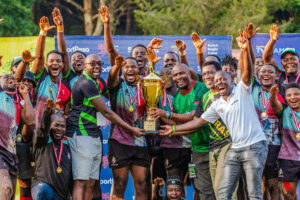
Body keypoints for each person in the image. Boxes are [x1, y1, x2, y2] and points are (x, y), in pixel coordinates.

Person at [160, 36, 268, 200]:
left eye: (222, 79)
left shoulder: (241, 90)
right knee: (222, 192)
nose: (219, 82)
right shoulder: (217, 104)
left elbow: (247, 71)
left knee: (253, 192)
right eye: (216, 81)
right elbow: (198, 121)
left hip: (253, 146)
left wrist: (245, 49)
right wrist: (173, 129)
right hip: (233, 148)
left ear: (232, 80)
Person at [67, 54, 144, 200]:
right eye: (92, 63)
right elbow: (107, 111)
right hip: (81, 134)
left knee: (91, 182)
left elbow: (115, 97)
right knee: (81, 181)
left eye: (99, 63)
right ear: (84, 66)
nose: (96, 66)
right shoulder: (85, 83)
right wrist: (131, 128)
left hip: (94, 135)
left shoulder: (99, 82)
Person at [151, 63, 209, 199]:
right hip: (189, 148)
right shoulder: (176, 97)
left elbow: (193, 118)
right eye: (175, 75)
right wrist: (163, 119)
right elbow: (178, 123)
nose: (178, 77)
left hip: (204, 148)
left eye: (182, 73)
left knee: (199, 185)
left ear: (190, 73)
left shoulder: (200, 87)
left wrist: (166, 114)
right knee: (178, 184)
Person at [106, 54, 151, 200]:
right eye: (127, 67)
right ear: (122, 70)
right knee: (119, 185)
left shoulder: (145, 86)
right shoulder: (117, 84)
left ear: (139, 69)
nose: (130, 69)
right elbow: (110, 80)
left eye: (133, 66)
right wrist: (116, 66)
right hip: (119, 141)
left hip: (141, 141)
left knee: (143, 185)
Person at [251, 63, 285, 199]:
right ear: (258, 76)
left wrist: (272, 96)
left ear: (276, 77)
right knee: (257, 185)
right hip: (253, 144)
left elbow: (278, 109)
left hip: (273, 146)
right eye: (263, 71)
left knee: (274, 185)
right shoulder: (252, 91)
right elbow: (247, 67)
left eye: (270, 72)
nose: (266, 74)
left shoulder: (281, 95)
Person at [0, 75, 35, 200]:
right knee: (6, 188)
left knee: (10, 194)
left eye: (13, 78)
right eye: (6, 77)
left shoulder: (17, 102)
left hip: (12, 152)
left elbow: (30, 121)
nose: (10, 78)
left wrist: (25, 95)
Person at [33, 16, 71, 125]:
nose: (55, 63)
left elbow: (66, 113)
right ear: (46, 64)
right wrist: (43, 33)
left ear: (63, 65)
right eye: (51, 61)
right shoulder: (42, 77)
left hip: (57, 133)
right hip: (39, 128)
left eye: (58, 61)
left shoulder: (65, 87)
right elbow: (39, 56)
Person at [31, 98, 72, 200]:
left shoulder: (67, 146)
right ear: (50, 126)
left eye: (63, 126)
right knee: (43, 190)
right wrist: (47, 112)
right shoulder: (42, 141)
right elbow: (42, 129)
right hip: (42, 190)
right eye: (56, 125)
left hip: (60, 196)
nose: (59, 129)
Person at [269, 83, 300, 200]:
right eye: (289, 95)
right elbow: (274, 104)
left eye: (296, 94)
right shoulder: (284, 111)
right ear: (286, 98)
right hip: (288, 161)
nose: (293, 97)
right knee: (288, 193)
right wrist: (273, 95)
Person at [100, 6, 149, 75]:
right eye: (136, 53)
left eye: (143, 53)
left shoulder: (152, 75)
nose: (139, 55)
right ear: (131, 57)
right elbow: (111, 50)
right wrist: (106, 24)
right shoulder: (122, 71)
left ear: (148, 58)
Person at [263, 25, 300, 96]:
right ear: (282, 63)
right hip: (281, 107)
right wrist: (272, 40)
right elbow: (267, 59)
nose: (289, 62)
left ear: (298, 60)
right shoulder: (279, 75)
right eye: (286, 60)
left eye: (292, 59)